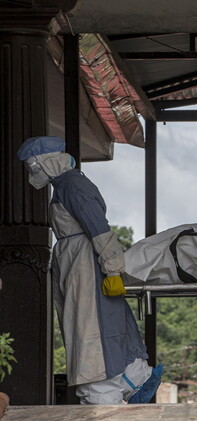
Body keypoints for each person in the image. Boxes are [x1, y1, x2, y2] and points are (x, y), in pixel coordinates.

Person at [17, 136, 162, 405]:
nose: (31, 173)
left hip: (85, 264)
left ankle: (120, 382)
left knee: (91, 326)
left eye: (32, 166)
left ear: (47, 161)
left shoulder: (72, 184)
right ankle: (128, 379)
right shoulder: (62, 185)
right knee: (88, 325)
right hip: (74, 263)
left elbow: (99, 228)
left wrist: (113, 269)